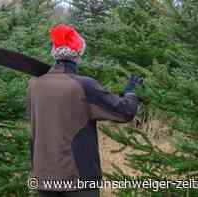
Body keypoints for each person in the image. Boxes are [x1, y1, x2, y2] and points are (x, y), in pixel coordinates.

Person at [27, 24, 142, 197]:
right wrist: (132, 92)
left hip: (44, 177)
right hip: (78, 179)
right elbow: (124, 111)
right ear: (79, 53)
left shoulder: (34, 84)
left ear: (54, 51)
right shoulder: (83, 85)